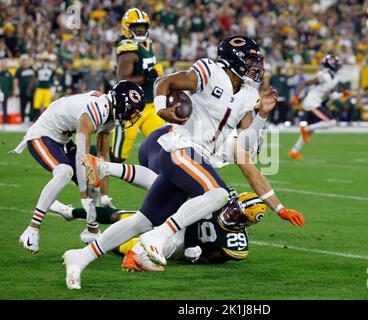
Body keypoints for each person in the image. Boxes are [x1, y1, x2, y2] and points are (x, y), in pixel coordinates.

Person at [63, 35, 304, 289]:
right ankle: (157, 238)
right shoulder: (211, 72)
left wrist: (262, 116)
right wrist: (159, 109)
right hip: (179, 147)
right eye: (251, 61)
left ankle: (81, 256)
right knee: (218, 194)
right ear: (234, 59)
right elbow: (164, 82)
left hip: (196, 157)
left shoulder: (247, 94)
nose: (256, 67)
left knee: (142, 220)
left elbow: (249, 148)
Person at [10, 80, 145, 253]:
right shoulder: (96, 111)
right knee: (65, 172)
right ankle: (32, 228)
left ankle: (91, 230)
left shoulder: (111, 114)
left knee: (93, 181)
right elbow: (82, 157)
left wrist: (102, 192)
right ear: (121, 104)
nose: (131, 117)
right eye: (132, 112)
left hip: (63, 139)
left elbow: (102, 158)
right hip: (43, 135)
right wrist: (83, 195)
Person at [50, 191, 266, 268]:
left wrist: (194, 257)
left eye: (238, 214)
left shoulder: (236, 245)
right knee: (129, 218)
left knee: (135, 245)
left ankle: (97, 244)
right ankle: (71, 212)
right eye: (234, 207)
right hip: (182, 220)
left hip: (181, 245)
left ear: (246, 223)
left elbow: (211, 259)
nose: (231, 212)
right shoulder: (219, 199)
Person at [110, 8, 166, 163]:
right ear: (127, 28)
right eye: (136, 27)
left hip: (150, 106)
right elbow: (122, 80)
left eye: (143, 26)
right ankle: (79, 154)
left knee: (165, 144)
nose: (141, 30)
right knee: (117, 157)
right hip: (131, 109)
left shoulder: (147, 44)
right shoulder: (128, 49)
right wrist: (149, 75)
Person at [288, 55, 341, 160]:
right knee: (331, 122)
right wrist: (296, 96)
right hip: (311, 103)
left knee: (311, 131)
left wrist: (343, 95)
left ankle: (294, 151)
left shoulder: (334, 78)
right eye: (336, 63)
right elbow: (304, 83)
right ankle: (307, 129)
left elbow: (332, 95)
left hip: (316, 103)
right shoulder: (324, 75)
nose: (338, 65)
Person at [31, 52, 56, 122]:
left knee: (47, 106)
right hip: (39, 88)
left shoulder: (52, 67)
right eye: (44, 60)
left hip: (47, 88)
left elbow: (53, 78)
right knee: (36, 105)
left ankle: (45, 121)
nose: (45, 61)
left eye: (46, 60)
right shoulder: (38, 66)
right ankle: (35, 120)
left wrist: (53, 88)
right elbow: (34, 74)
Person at [14, 54, 35, 123]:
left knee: (33, 106)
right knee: (23, 106)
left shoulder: (32, 68)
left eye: (25, 60)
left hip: (32, 91)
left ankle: (31, 120)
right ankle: (22, 120)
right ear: (21, 61)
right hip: (23, 90)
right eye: (23, 60)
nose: (24, 62)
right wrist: (15, 89)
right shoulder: (19, 70)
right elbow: (16, 80)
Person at [0, 60, 14, 125]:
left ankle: (4, 121)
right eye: (2, 65)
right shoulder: (0, 74)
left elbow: (11, 83)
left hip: (5, 93)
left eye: (4, 65)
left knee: (5, 108)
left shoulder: (9, 74)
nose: (3, 66)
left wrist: (11, 92)